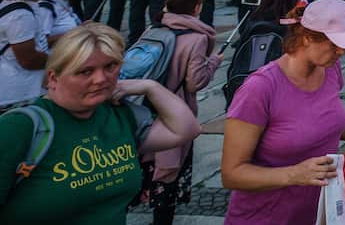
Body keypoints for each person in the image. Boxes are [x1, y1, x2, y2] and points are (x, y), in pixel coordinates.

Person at [0, 22, 201, 224]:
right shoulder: (20, 127)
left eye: (110, 66)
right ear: (53, 78)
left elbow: (186, 128)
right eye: (85, 71)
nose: (101, 79)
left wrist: (150, 86)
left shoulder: (119, 114)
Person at [222, 0, 345, 224]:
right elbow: (231, 173)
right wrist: (294, 174)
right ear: (306, 37)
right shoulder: (260, 88)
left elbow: (318, 121)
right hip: (264, 217)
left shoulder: (330, 69)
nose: (342, 51)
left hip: (316, 215)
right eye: (334, 43)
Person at [142, 0, 223, 225]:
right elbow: (195, 82)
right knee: (168, 176)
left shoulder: (153, 29)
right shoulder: (197, 38)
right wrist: (214, 62)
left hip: (145, 107)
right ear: (196, 8)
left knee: (145, 166)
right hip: (174, 110)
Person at [0, 0, 61, 108]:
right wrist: (63, 62)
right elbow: (28, 59)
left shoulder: (30, 5)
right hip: (16, 95)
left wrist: (67, 37)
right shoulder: (20, 14)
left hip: (25, 89)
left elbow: (34, 41)